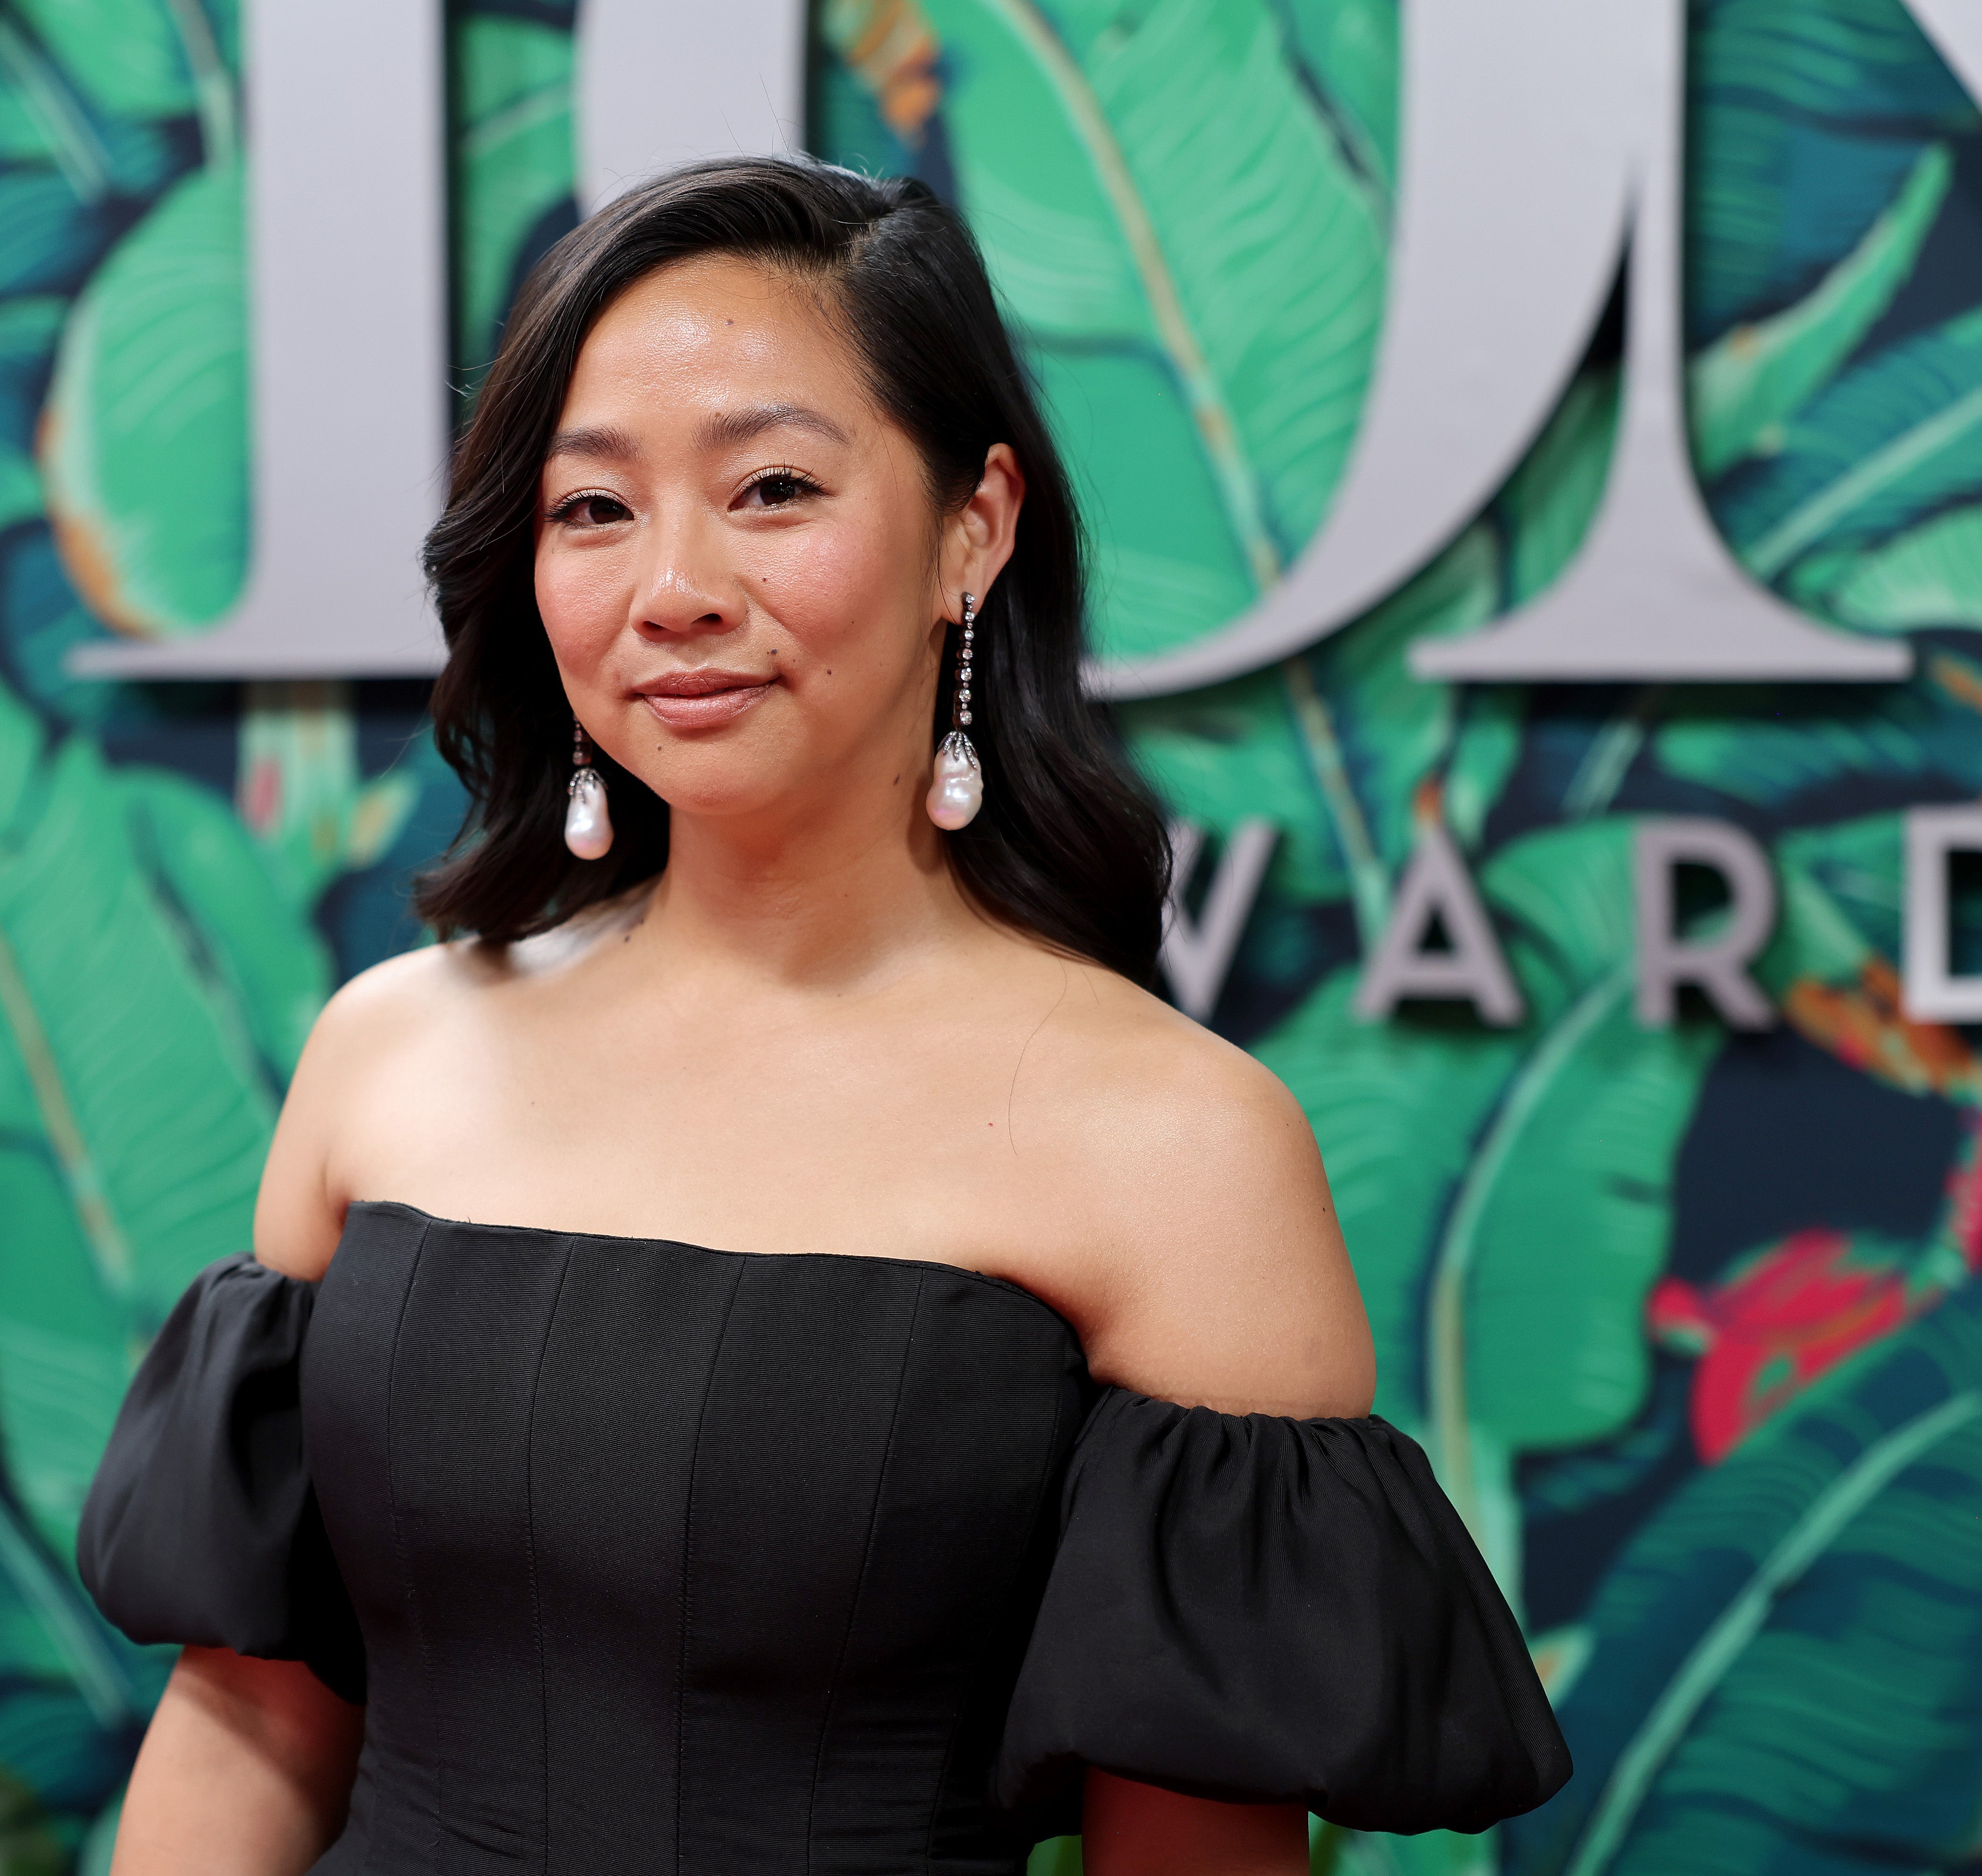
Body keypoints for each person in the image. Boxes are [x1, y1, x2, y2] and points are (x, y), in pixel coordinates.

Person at [77, 156, 1567, 1876]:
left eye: (772, 487)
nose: (675, 588)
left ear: (974, 528)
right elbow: (250, 1723)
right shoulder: (387, 1050)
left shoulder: (1178, 1144)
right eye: (593, 510)